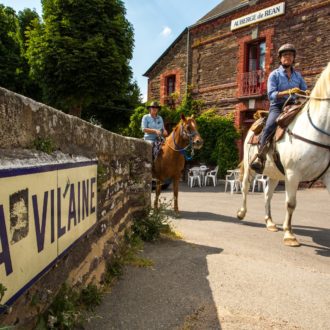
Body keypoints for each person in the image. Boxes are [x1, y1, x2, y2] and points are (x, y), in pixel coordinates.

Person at [250, 43, 308, 174]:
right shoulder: (274, 75)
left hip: (294, 104)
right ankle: (260, 157)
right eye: (285, 55)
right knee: (270, 125)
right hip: (278, 105)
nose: (288, 57)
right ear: (280, 59)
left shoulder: (298, 76)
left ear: (294, 58)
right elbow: (271, 95)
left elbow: (305, 90)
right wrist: (288, 91)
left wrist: (308, 93)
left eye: (290, 55)